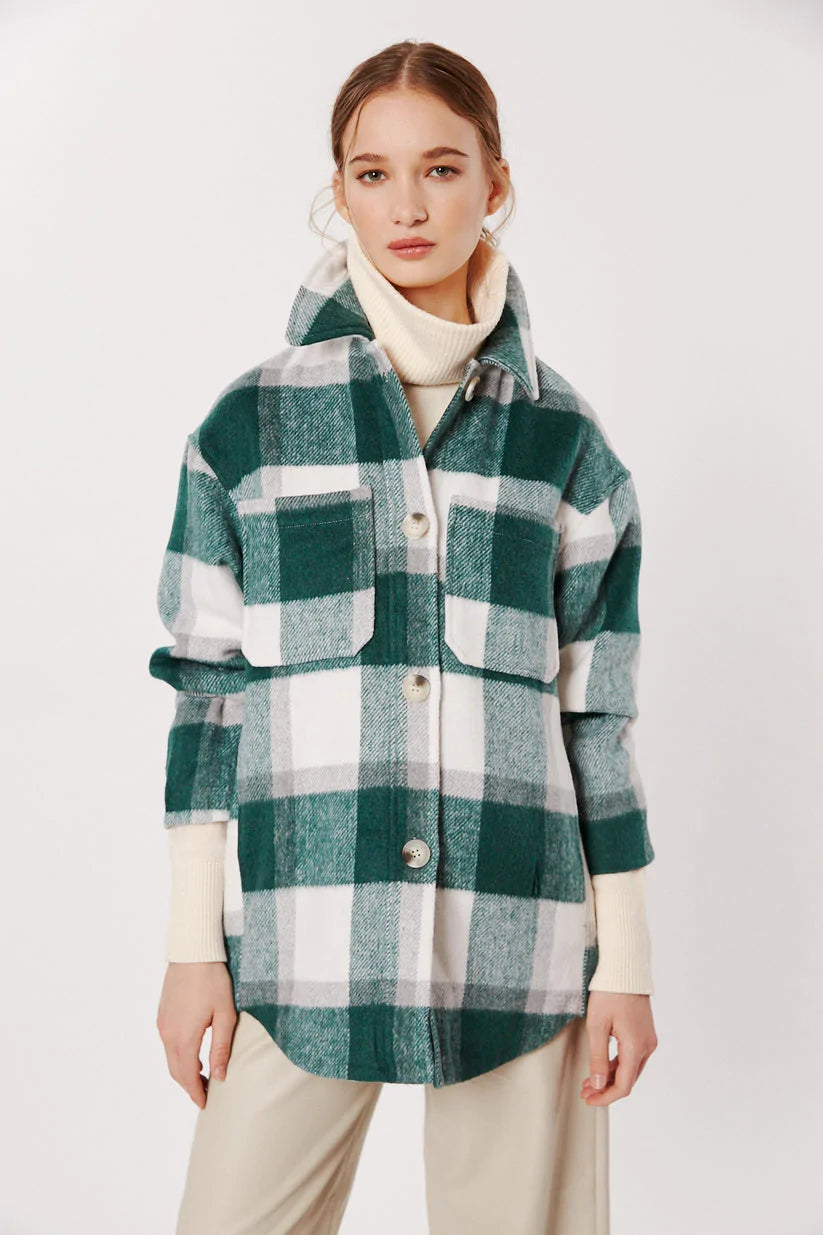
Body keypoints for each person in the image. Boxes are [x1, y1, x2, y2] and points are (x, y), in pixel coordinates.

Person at [149, 38, 658, 1235]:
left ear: (495, 182)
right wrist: (191, 947)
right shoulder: (249, 427)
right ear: (339, 191)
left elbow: (597, 716)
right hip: (302, 945)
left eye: (440, 168)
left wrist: (625, 962)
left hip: (523, 944)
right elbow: (207, 695)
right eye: (372, 174)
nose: (408, 205)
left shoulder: (566, 443)